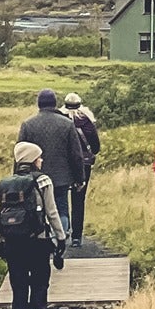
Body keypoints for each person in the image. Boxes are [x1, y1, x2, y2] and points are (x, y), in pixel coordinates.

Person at [0, 140, 68, 309]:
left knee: (18, 284)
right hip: (38, 240)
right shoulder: (43, 181)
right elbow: (52, 212)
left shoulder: (4, 183)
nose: (41, 159)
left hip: (12, 242)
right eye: (39, 156)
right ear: (32, 159)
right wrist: (60, 238)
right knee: (39, 280)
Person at [17, 90, 87, 203]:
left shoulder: (28, 125)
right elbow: (76, 155)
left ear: (38, 104)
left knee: (37, 209)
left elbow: (20, 154)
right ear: (55, 104)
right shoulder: (67, 124)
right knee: (62, 210)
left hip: (34, 178)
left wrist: (17, 178)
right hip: (61, 178)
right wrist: (80, 178)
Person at [62, 93, 101, 245]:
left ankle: (63, 231)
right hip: (84, 164)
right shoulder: (87, 120)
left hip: (64, 164)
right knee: (79, 200)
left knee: (62, 198)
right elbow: (96, 146)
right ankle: (77, 237)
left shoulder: (61, 120)